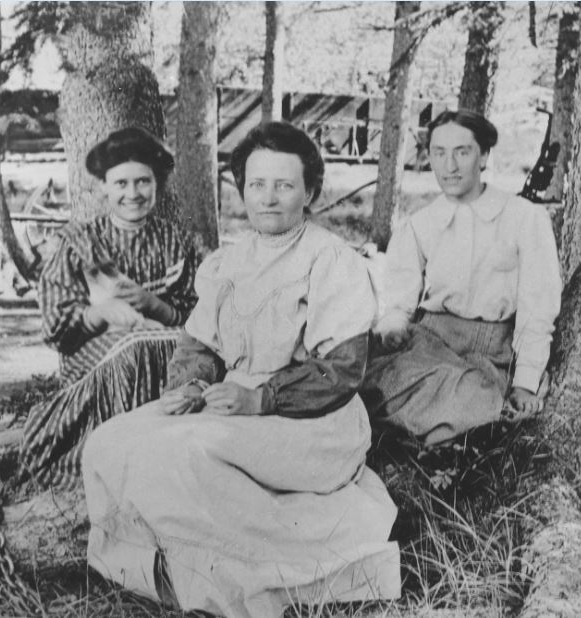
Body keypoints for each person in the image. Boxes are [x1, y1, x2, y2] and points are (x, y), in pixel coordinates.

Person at [82, 122, 401, 617]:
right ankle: (159, 577)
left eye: (284, 185)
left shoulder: (331, 259)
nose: (268, 199)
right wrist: (190, 385)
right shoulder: (229, 261)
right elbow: (200, 342)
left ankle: (238, 584)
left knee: (192, 453)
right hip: (234, 400)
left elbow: (340, 371)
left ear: (310, 192)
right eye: (256, 185)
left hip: (313, 418)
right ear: (242, 190)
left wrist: (262, 399)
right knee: (112, 439)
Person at [361, 110, 562, 446]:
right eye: (439, 153)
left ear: (483, 156)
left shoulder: (524, 218)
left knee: (476, 397)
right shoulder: (420, 224)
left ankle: (422, 426)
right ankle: (429, 427)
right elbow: (399, 301)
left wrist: (526, 381)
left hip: (491, 352)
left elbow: (538, 306)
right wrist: (393, 328)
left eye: (462, 152)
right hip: (429, 342)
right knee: (368, 378)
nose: (449, 166)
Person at [19, 127, 199, 487]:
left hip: (163, 347)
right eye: (121, 184)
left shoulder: (172, 239)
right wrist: (98, 313)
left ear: (156, 184)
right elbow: (56, 328)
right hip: (97, 365)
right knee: (131, 351)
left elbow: (193, 313)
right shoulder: (80, 242)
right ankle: (118, 458)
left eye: (143, 182)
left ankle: (169, 458)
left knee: (180, 350)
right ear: (103, 185)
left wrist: (154, 305)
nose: (132, 194)